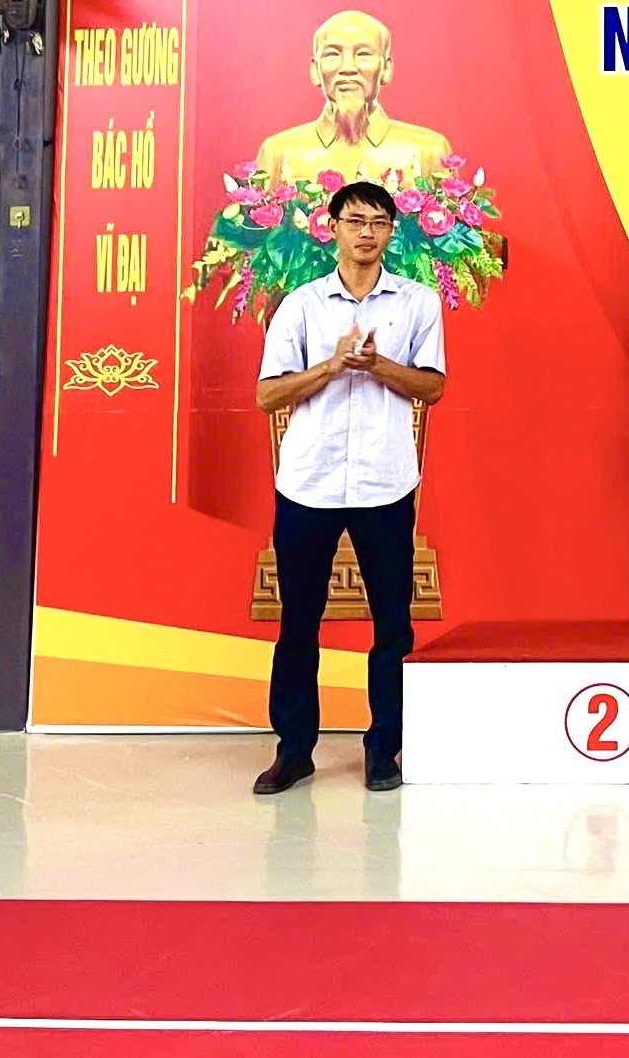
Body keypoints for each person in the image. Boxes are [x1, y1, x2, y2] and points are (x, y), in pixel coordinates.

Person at [251, 180, 446, 795]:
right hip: (308, 482)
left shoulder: (416, 302)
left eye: (379, 222)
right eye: (355, 221)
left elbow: (434, 387)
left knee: (392, 625)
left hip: (385, 482)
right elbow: (267, 395)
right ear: (331, 227)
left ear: (392, 232)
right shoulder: (302, 305)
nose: (367, 233)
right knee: (298, 623)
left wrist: (378, 365)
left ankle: (383, 749)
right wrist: (333, 366)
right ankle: (294, 751)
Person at [256, 9, 450, 187]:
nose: (347, 67)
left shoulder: (428, 151)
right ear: (315, 70)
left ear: (386, 68)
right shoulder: (278, 152)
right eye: (333, 55)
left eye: (363, 54)